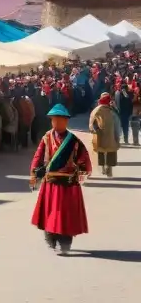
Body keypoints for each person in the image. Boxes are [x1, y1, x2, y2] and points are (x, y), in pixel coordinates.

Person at [30, 104, 91, 255]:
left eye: (60, 120)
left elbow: (84, 159)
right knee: (50, 213)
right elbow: (38, 157)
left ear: (66, 121)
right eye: (54, 120)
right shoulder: (46, 138)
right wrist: (34, 174)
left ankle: (65, 243)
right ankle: (51, 239)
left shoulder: (74, 141)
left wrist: (82, 171)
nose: (57, 123)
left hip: (69, 184)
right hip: (51, 182)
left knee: (66, 215)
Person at [89, 92, 121, 177]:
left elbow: (91, 123)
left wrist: (94, 131)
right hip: (111, 135)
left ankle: (102, 167)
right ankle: (109, 169)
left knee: (101, 150)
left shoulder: (96, 110)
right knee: (111, 150)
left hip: (100, 135)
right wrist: (118, 136)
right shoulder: (112, 111)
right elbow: (117, 124)